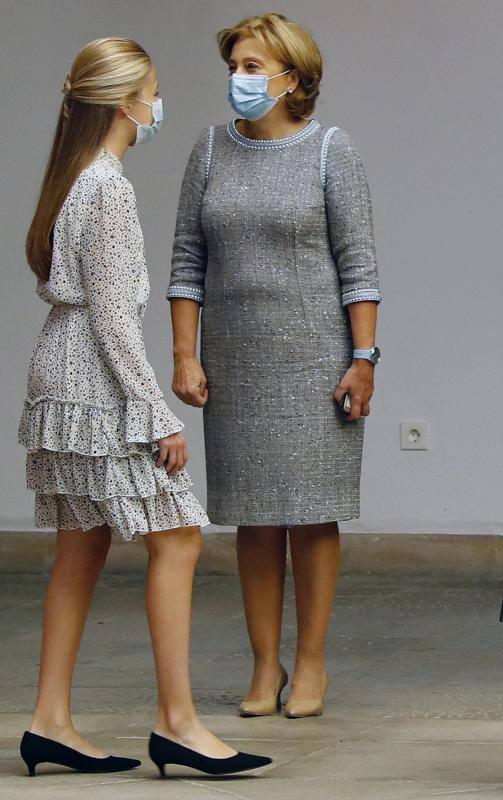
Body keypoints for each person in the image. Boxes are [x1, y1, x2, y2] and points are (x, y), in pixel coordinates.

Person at [17, 36, 271, 778]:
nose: (158, 105)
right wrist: (156, 412)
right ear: (126, 101)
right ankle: (178, 724)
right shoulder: (108, 185)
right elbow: (111, 317)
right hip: (92, 379)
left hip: (59, 372)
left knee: (82, 542)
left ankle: (50, 721)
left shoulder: (77, 176)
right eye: (153, 91)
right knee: (178, 536)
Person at [166, 12, 383, 719]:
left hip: (317, 360)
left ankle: (312, 662)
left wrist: (362, 360)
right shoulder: (209, 150)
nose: (240, 79)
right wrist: (184, 354)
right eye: (235, 65)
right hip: (235, 362)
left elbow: (358, 265)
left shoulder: (329, 151)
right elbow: (186, 263)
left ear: (294, 76)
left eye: (254, 67)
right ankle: (265, 667)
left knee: (312, 517)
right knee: (254, 520)